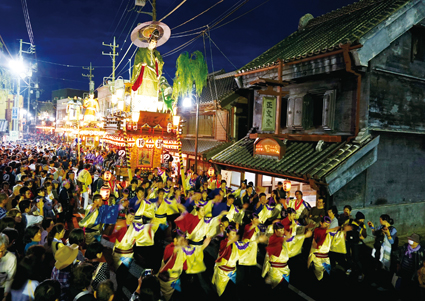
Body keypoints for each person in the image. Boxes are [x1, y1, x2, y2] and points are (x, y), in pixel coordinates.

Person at [307, 216, 345, 281]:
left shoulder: (328, 232)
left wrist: (342, 230)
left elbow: (335, 234)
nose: (327, 226)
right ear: (321, 223)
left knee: (327, 274)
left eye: (328, 225)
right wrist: (334, 229)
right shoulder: (317, 230)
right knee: (318, 276)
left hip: (326, 257)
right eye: (325, 224)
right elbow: (322, 232)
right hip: (317, 258)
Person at [396, 233, 424, 299]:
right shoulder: (405, 247)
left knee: (411, 289)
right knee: (402, 286)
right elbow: (399, 255)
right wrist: (398, 264)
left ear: (416, 242)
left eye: (411, 240)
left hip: (413, 275)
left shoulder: (421, 251)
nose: (409, 241)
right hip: (403, 271)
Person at [0, 233, 17, 301]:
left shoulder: (11, 259)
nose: (0, 254)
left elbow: (10, 279)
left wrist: (5, 296)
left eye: (2, 250)